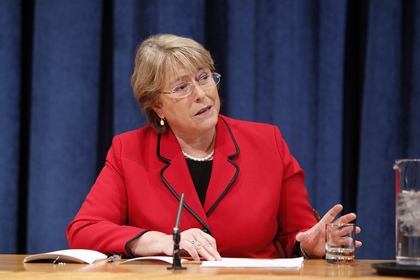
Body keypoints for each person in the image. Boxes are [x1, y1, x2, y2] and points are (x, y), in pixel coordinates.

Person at [66, 34, 362, 261]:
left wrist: (310, 247)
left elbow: (296, 237)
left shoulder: (266, 143)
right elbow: (83, 230)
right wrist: (159, 241)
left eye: (204, 78)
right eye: (182, 87)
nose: (200, 94)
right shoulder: (129, 150)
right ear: (157, 106)